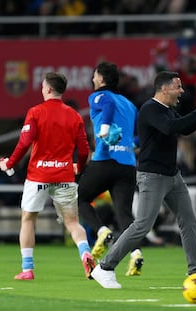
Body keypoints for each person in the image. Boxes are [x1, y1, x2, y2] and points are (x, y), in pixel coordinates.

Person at [90, 71, 196, 289]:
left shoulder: (167, 110)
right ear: (163, 89)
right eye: (177, 86)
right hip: (152, 176)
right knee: (142, 225)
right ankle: (104, 268)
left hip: (172, 175)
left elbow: (185, 129)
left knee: (188, 221)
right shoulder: (150, 109)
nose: (182, 91)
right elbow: (172, 128)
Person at [0, 72, 94, 280]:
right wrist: (79, 166)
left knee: (28, 219)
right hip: (65, 175)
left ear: (48, 89)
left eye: (42, 87)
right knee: (73, 223)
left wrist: (9, 163)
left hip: (38, 176)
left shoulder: (35, 112)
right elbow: (84, 148)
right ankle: (85, 253)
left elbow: (24, 143)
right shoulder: (75, 115)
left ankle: (27, 269)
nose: (42, 89)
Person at [77, 61, 143, 276]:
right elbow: (139, 133)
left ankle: (102, 231)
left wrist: (104, 129)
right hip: (127, 165)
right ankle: (136, 253)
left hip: (105, 160)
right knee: (124, 213)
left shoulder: (98, 96)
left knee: (79, 198)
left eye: (95, 75)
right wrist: (131, 145)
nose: (93, 79)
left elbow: (107, 105)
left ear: (101, 79)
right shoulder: (130, 105)